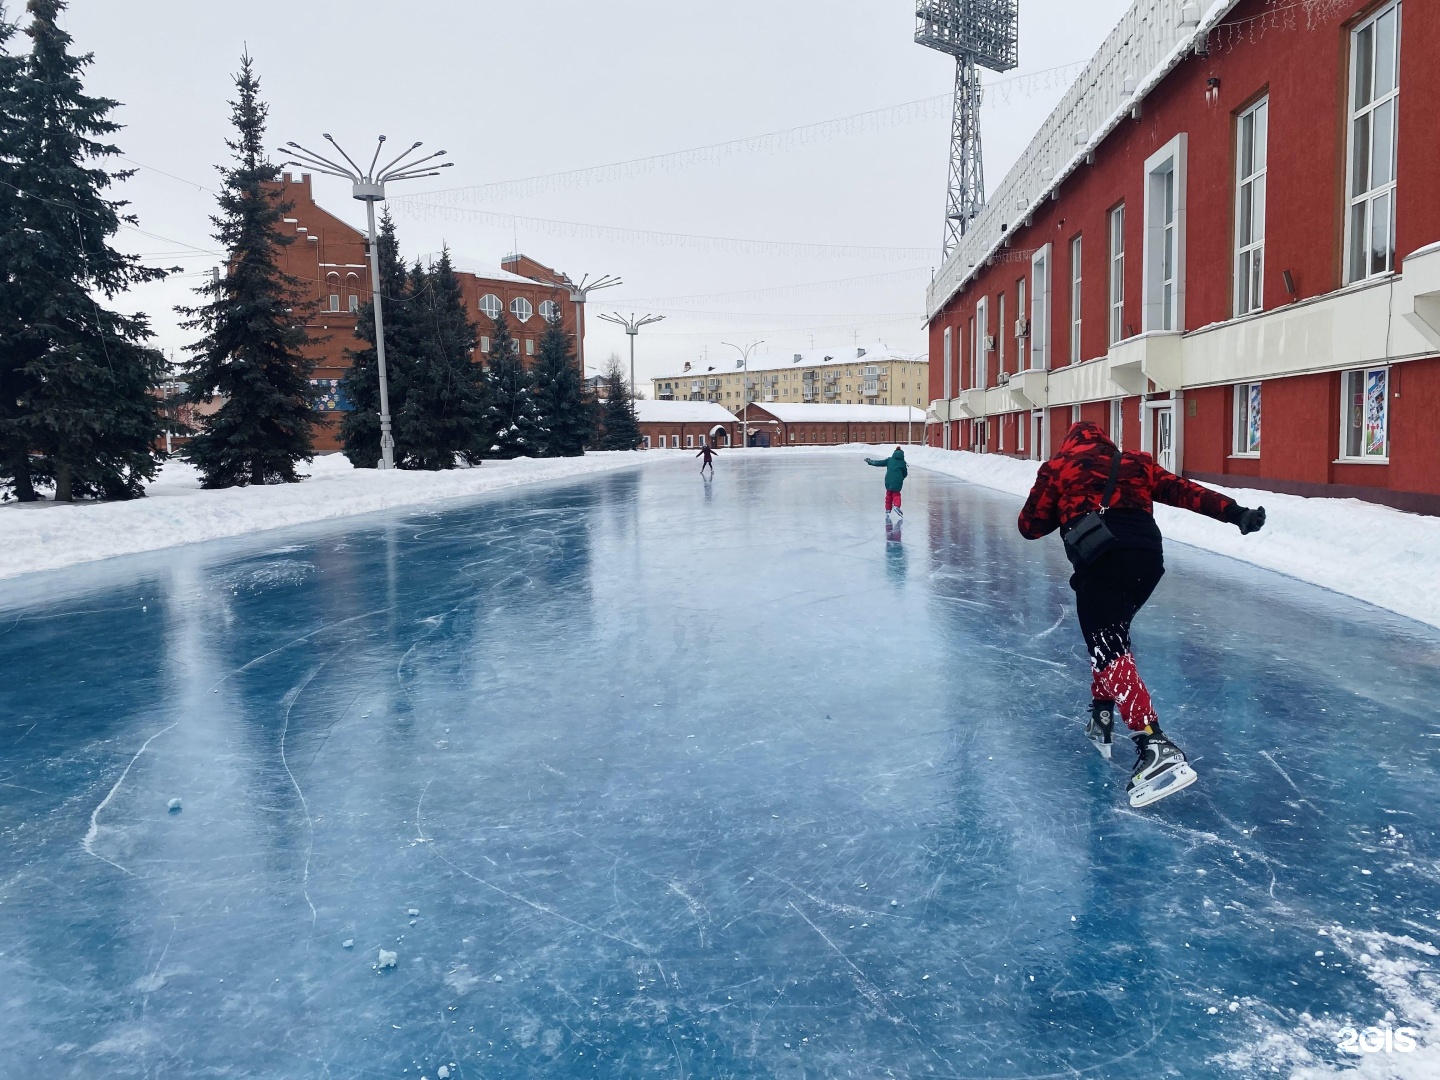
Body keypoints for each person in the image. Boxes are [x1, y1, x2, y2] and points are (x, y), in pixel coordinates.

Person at [1017, 421, 1266, 808]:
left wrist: (1066, 501)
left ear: (1070, 442)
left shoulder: (1059, 467)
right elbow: (1184, 491)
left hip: (1102, 559)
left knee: (1108, 644)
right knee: (1110, 639)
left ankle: (1153, 743)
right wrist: (1236, 514)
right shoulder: (1133, 460)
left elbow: (1030, 526)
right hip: (1147, 560)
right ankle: (1101, 713)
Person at [865, 447, 908, 518]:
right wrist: (901, 478)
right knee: (896, 494)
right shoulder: (902, 463)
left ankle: (888, 509)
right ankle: (896, 506)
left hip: (888, 480)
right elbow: (905, 474)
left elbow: (879, 463)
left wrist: (870, 461)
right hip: (897, 481)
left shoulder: (889, 460)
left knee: (889, 494)